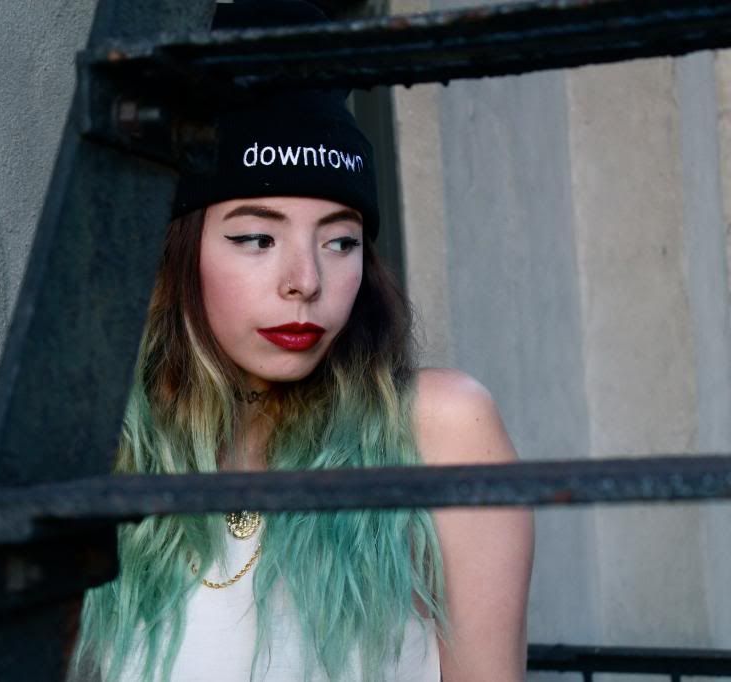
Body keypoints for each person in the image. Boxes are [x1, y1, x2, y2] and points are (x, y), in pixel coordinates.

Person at [70, 3, 533, 680]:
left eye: (340, 241)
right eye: (257, 238)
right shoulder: (112, 453)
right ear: (179, 255)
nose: (306, 281)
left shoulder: (438, 429)